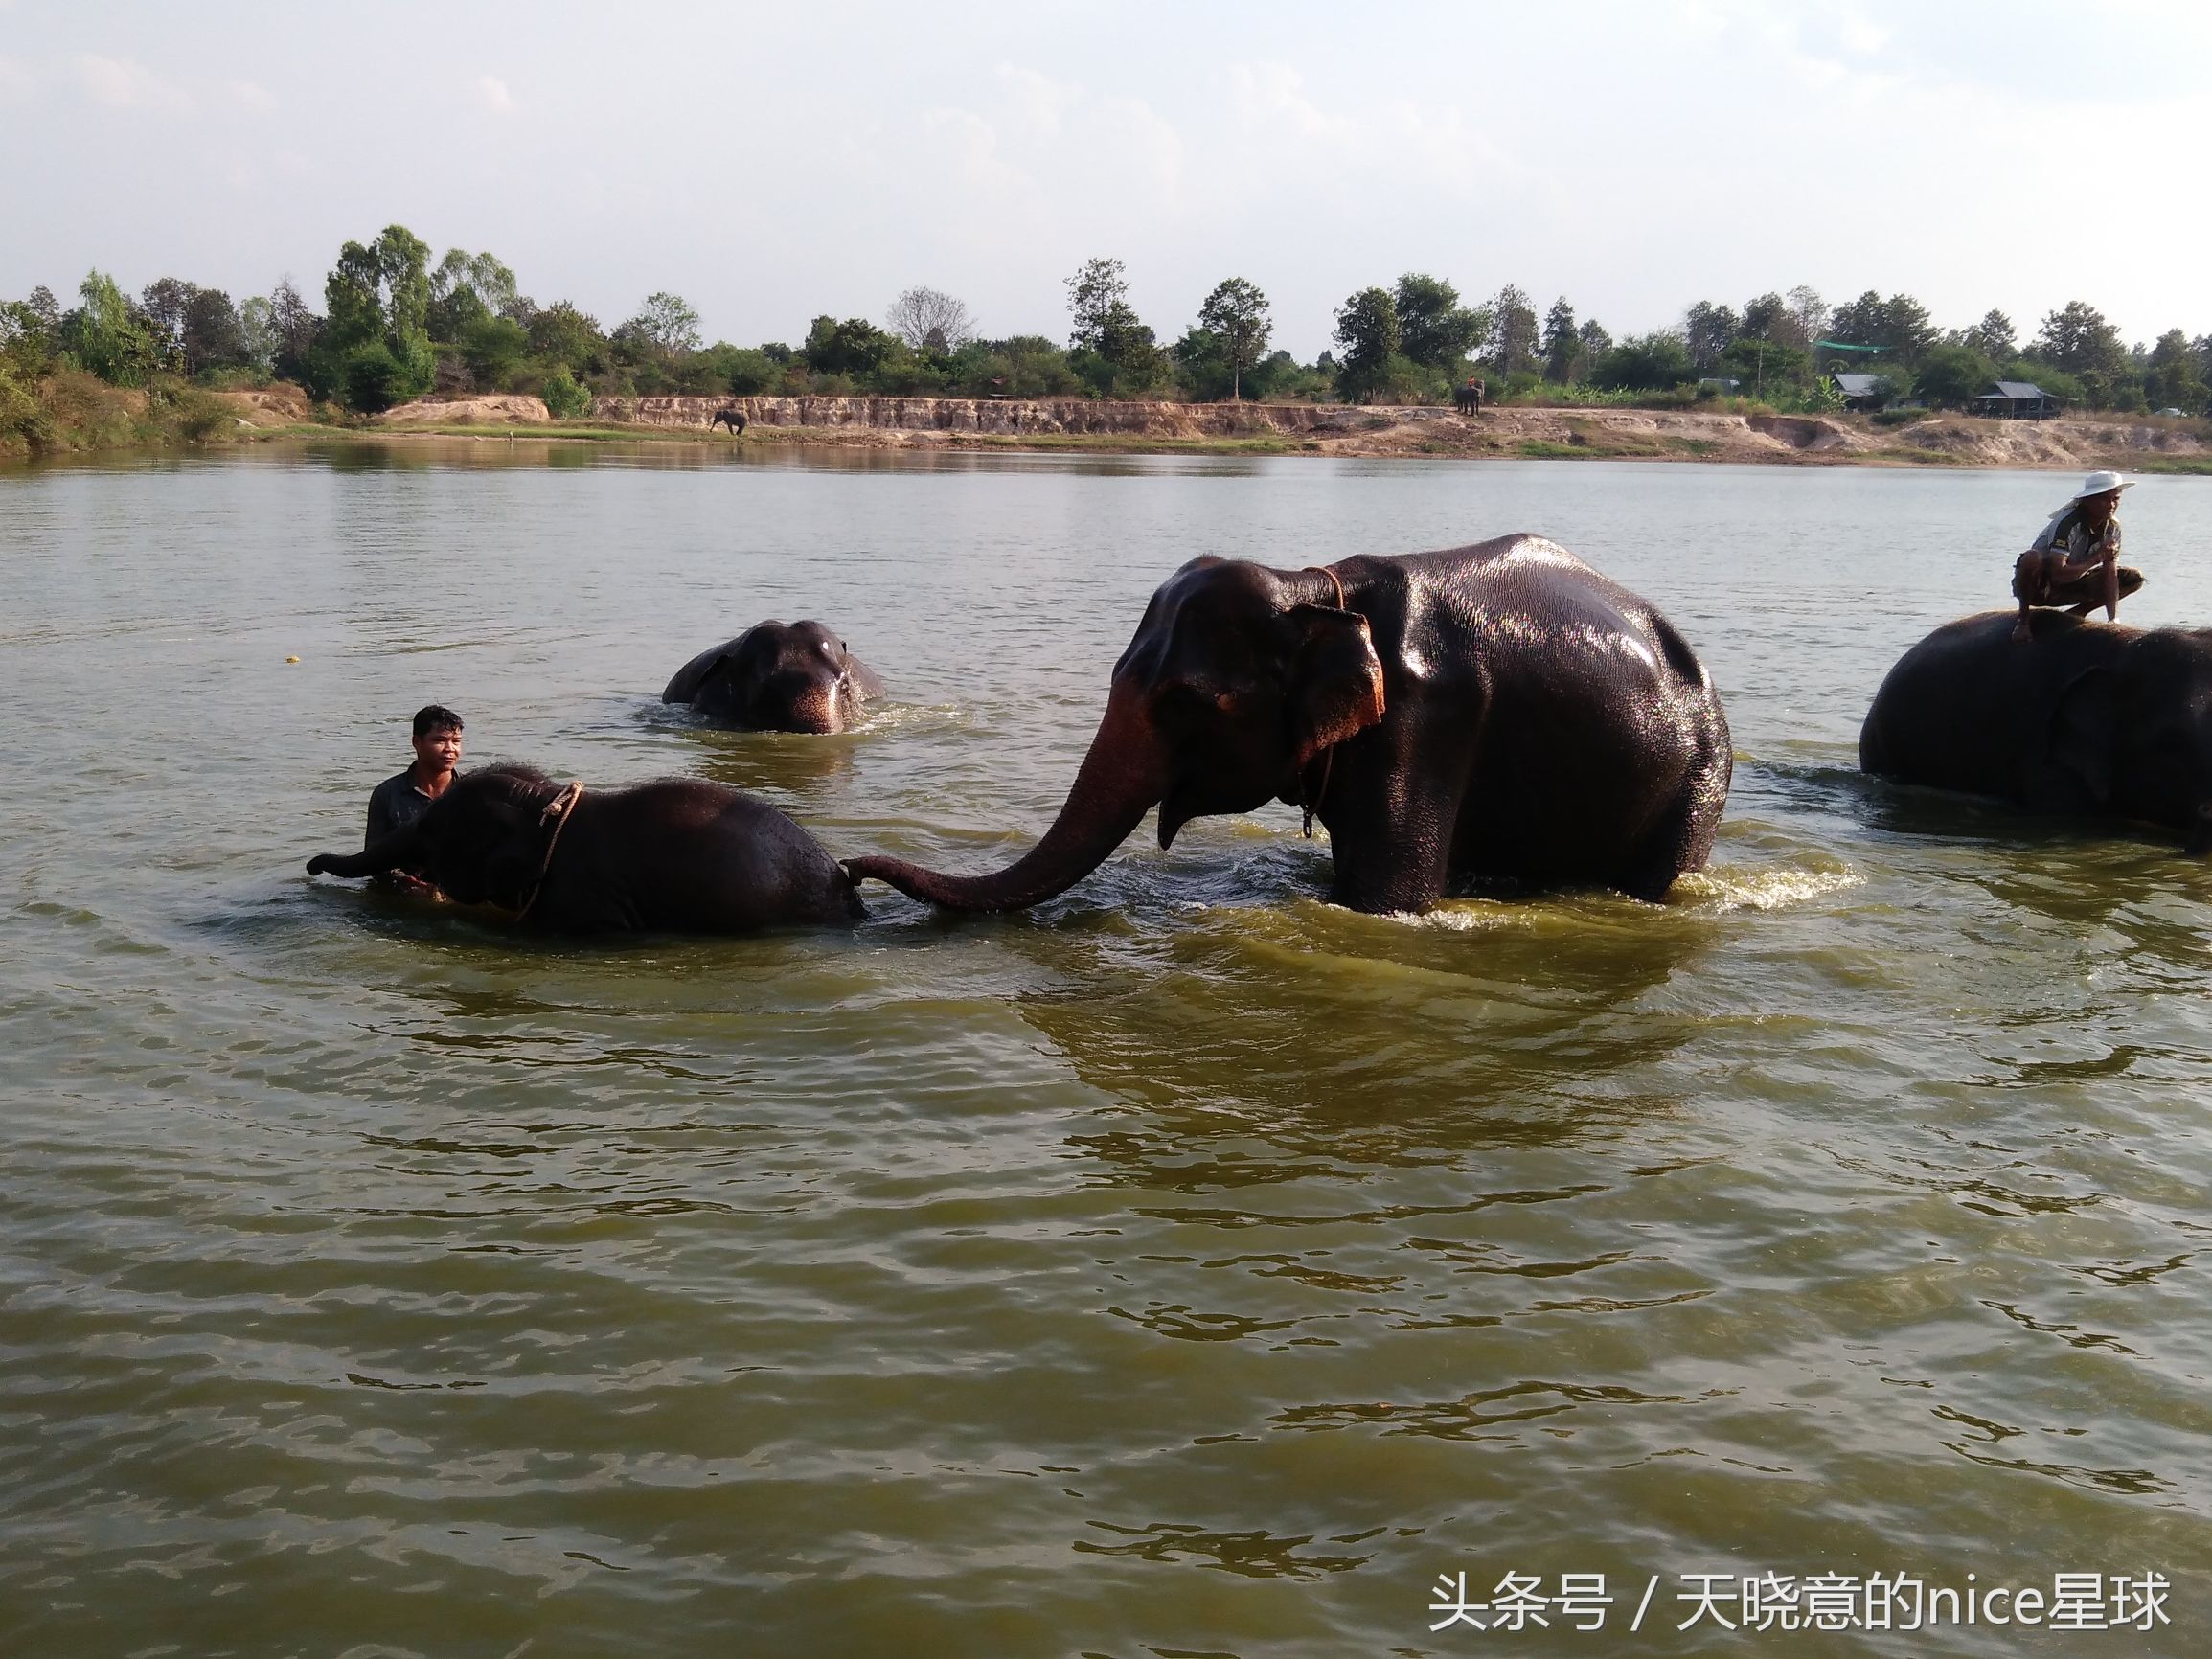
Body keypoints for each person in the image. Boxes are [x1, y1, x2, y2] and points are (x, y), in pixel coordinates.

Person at [2012, 470, 2144, 642]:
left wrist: (2113, 620)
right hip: (2042, 586)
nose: (2111, 505)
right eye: (2104, 499)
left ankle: (2078, 613)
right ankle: (2023, 621)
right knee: (2031, 558)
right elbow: (2058, 575)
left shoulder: (2113, 528)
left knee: (2133, 578)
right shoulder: (2068, 523)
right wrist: (2097, 558)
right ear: (2088, 501)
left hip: (2074, 582)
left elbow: (2109, 573)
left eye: (2115, 499)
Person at [364, 705, 463, 892]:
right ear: (417, 742)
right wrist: (405, 882)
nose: (450, 749)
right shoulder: (387, 794)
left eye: (456, 741)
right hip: (405, 895)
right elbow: (373, 858)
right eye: (440, 740)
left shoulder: (473, 793)